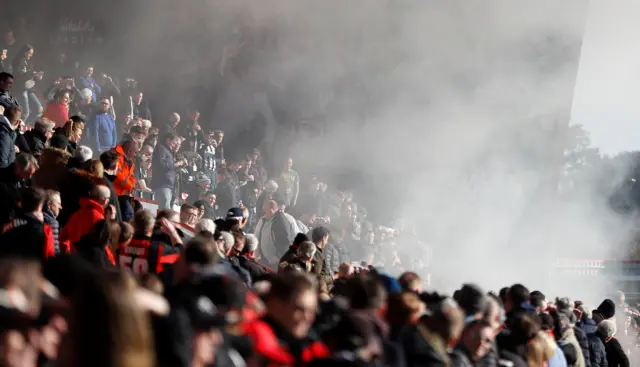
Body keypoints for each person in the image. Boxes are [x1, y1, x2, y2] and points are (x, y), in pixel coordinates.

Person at [244, 273, 329, 365]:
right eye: (299, 309)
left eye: (312, 311)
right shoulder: (249, 338)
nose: (308, 318)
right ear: (275, 304)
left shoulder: (312, 352)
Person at [118, 210, 181, 275]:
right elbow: (180, 252)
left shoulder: (121, 244)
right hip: (145, 284)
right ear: (151, 229)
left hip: (123, 283)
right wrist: (173, 232)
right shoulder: (157, 249)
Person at [0, 186, 55, 261]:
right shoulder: (46, 230)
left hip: (11, 269)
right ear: (39, 207)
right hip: (34, 270)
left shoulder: (10, 226)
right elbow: (49, 256)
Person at [59, 183, 113, 252]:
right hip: (88, 259)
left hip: (73, 256)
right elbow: (103, 246)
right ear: (105, 200)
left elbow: (63, 238)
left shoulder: (76, 214)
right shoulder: (99, 219)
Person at [151, 133, 187, 210]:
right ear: (168, 140)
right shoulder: (162, 148)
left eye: (178, 144)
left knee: (167, 211)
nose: (176, 145)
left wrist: (179, 167)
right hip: (162, 185)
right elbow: (162, 165)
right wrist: (178, 163)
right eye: (174, 142)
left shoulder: (169, 152)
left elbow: (169, 169)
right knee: (163, 211)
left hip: (169, 187)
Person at [43, 190, 62, 254]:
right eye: (58, 204)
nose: (60, 207)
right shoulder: (52, 222)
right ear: (49, 205)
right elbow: (54, 248)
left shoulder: (39, 218)